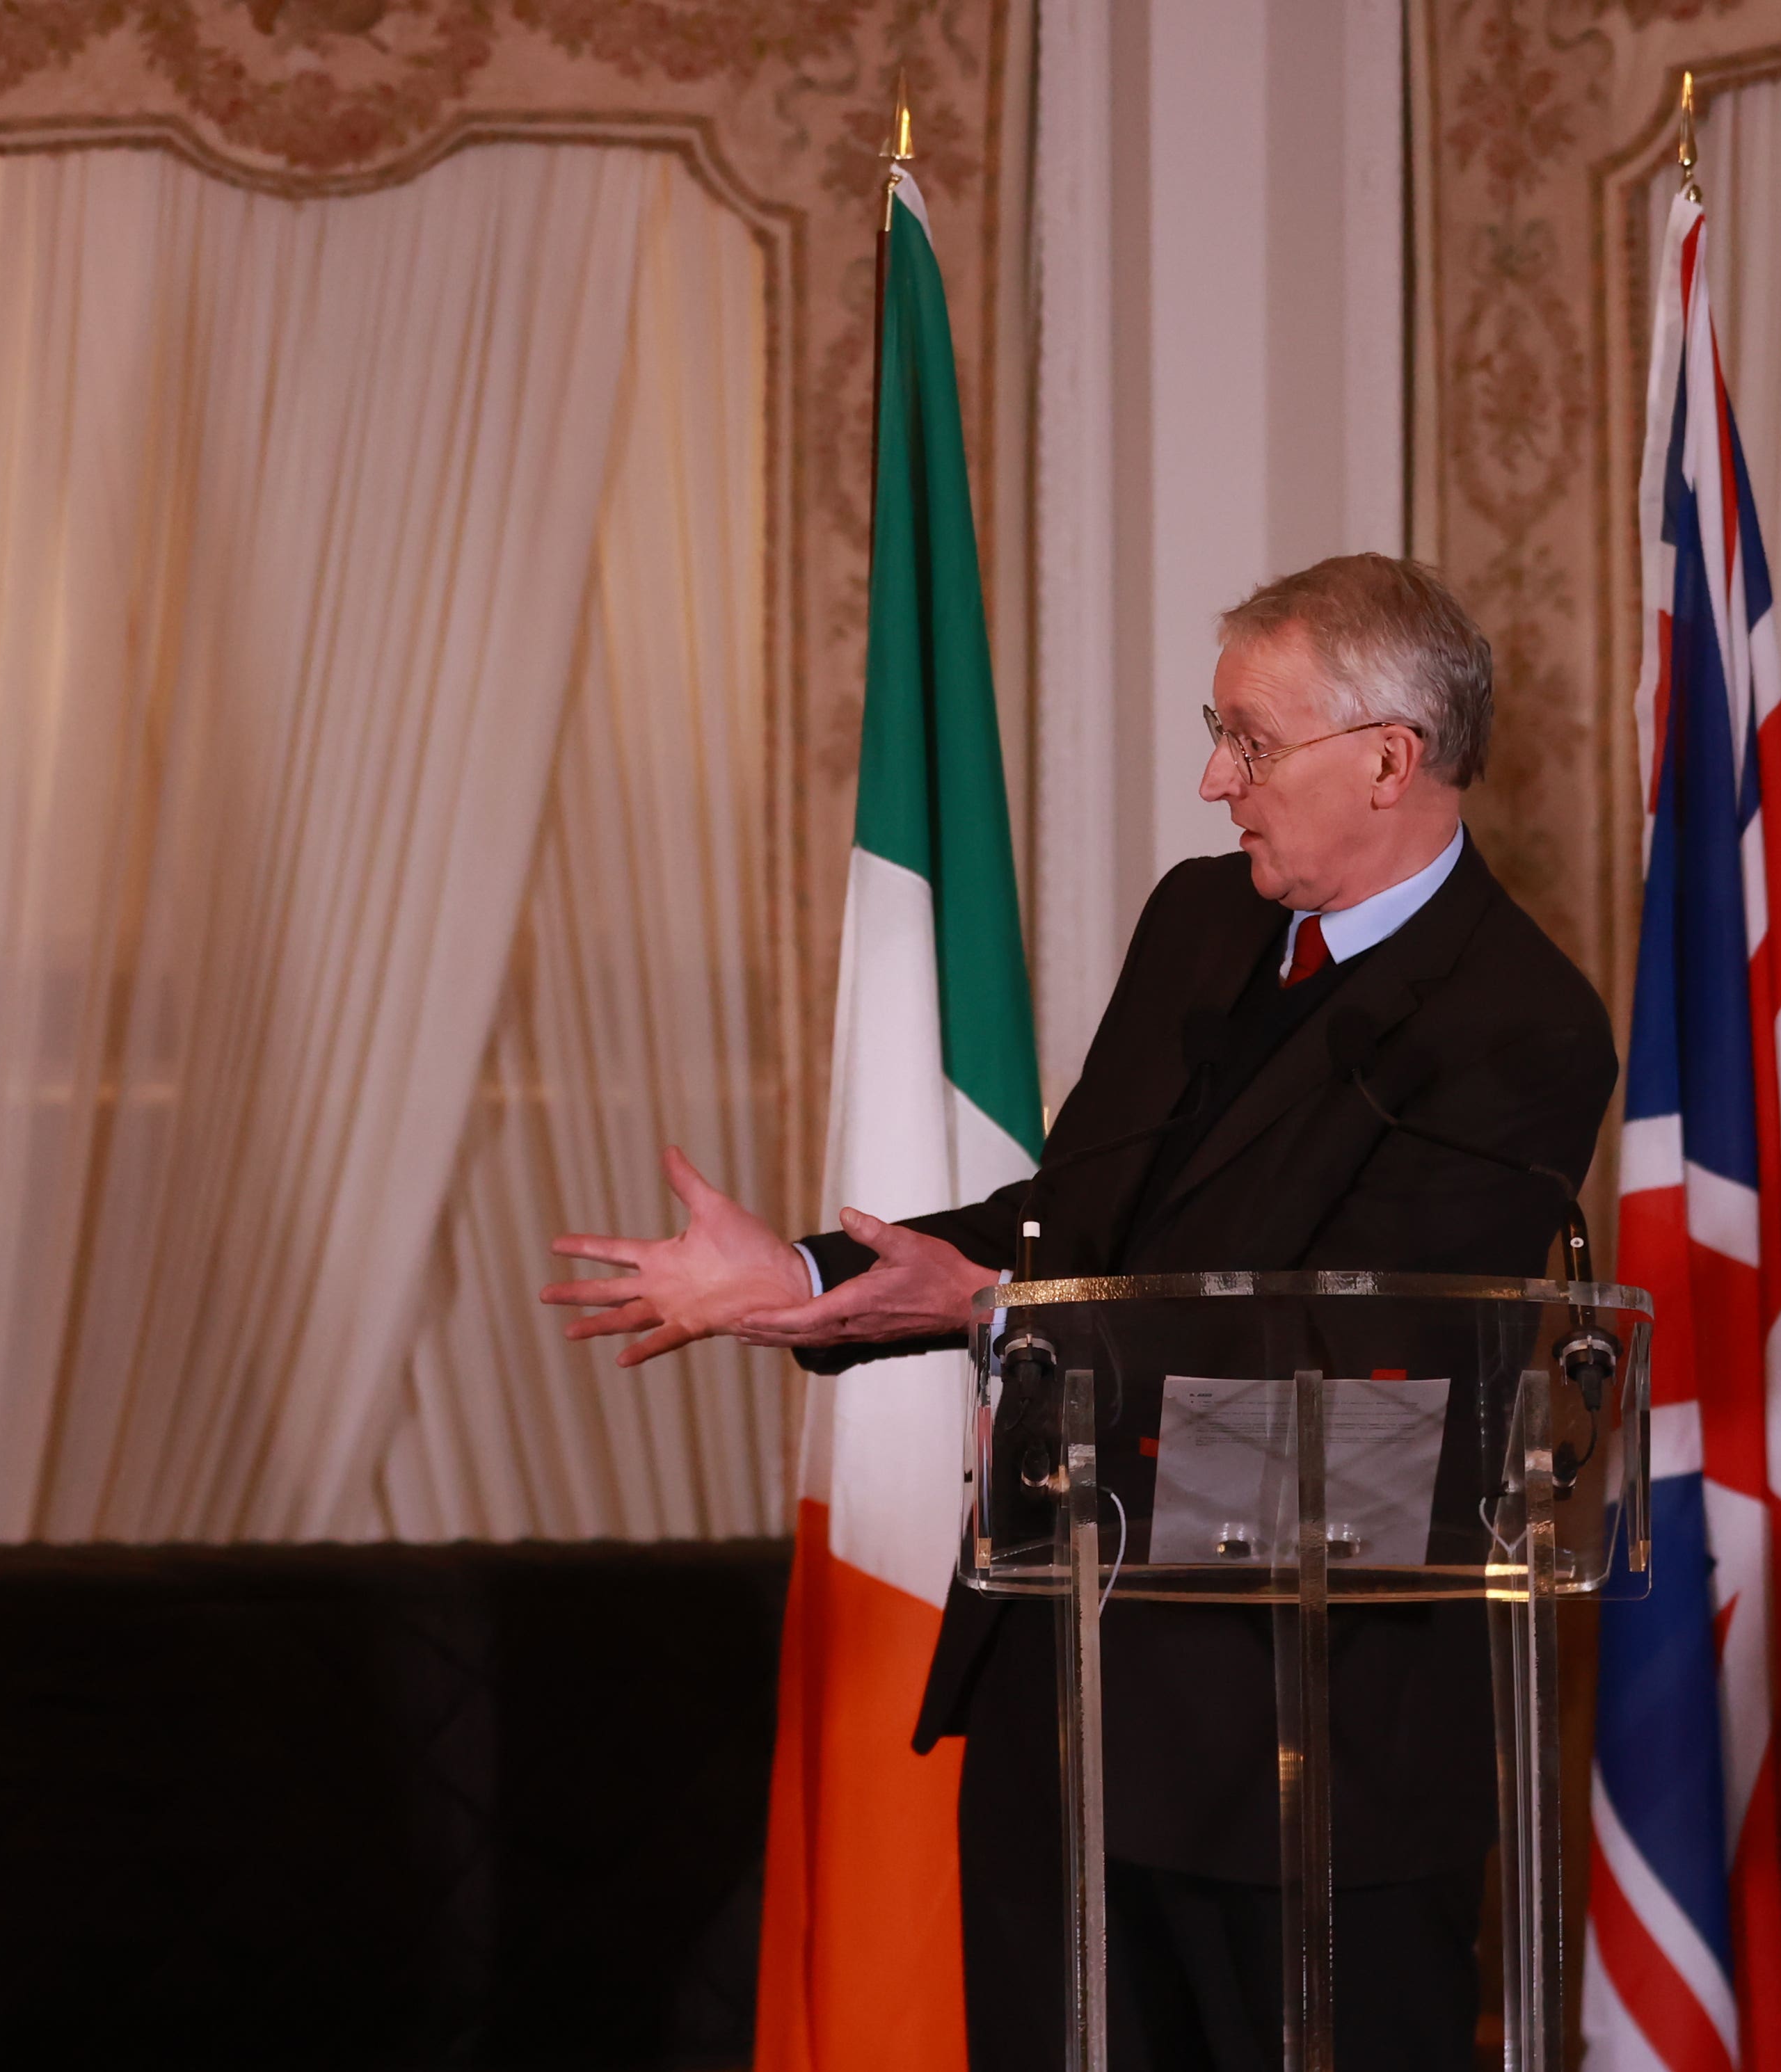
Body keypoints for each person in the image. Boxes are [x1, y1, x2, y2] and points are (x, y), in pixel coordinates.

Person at [542, 554, 1614, 2070]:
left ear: (1389, 757)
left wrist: (1004, 1309)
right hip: (1073, 1686)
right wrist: (801, 1282)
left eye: (1248, 739)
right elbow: (1069, 1228)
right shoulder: (1204, 921)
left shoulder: (1518, 1021)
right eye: (1213, 728)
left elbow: (1353, 1365)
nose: (1209, 779)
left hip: (1305, 1745)